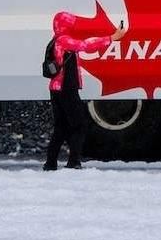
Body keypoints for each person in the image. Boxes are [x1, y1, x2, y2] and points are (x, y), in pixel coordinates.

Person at [43, 10, 115, 170]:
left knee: (61, 126)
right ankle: (73, 161)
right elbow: (85, 46)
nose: (73, 26)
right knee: (79, 124)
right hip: (66, 88)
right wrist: (111, 38)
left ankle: (50, 163)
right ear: (66, 25)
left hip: (56, 88)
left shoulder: (54, 40)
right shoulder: (64, 41)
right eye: (71, 23)